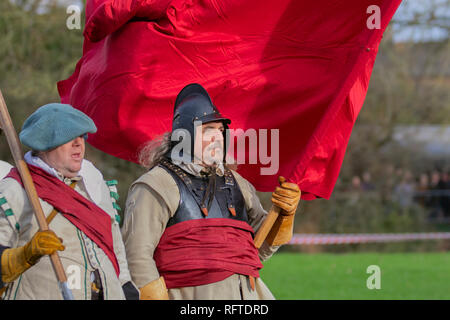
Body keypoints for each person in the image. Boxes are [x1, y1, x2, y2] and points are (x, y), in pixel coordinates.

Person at [121, 83, 301, 300]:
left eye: (220, 130)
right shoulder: (156, 185)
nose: (218, 137)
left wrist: (284, 215)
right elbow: (136, 256)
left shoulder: (237, 183)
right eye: (208, 130)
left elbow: (256, 251)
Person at [0, 103, 138, 300]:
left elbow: (115, 249)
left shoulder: (94, 184)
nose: (78, 143)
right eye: (68, 136)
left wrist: (125, 287)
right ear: (43, 144)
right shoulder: (15, 189)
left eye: (82, 136)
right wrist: (24, 256)